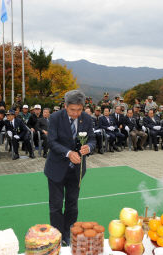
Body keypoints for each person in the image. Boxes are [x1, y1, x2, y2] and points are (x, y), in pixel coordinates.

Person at [44, 90, 96, 246]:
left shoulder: (86, 118)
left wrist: (89, 147)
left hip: (77, 170)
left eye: (79, 110)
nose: (76, 113)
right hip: (56, 169)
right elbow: (51, 142)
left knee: (72, 204)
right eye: (73, 110)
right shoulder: (55, 118)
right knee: (56, 204)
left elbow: (92, 139)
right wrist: (68, 153)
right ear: (65, 106)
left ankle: (68, 233)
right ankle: (57, 235)